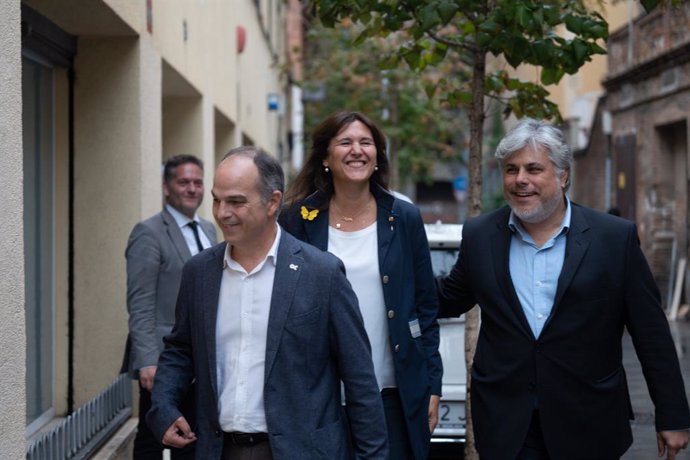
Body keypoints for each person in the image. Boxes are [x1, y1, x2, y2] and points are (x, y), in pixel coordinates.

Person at [437, 118, 690, 460]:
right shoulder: (481, 235)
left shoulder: (613, 238)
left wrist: (673, 415)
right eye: (511, 169)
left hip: (589, 420)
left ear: (563, 175)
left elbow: (652, 334)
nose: (520, 180)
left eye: (533, 168)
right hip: (508, 423)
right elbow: (449, 298)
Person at [146, 146, 388, 459]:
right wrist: (163, 407)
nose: (222, 213)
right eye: (217, 199)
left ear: (273, 202)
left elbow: (359, 378)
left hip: (302, 451)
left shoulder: (321, 274)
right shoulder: (199, 272)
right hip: (218, 449)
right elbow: (181, 349)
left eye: (236, 201)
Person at [279, 111, 442, 460]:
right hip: (319, 399)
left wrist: (433, 384)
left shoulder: (405, 217)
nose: (357, 150)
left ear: (377, 156)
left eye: (366, 143)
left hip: (392, 394)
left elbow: (426, 306)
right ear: (325, 157)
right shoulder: (295, 220)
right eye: (345, 142)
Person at [122, 154, 217, 459]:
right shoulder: (148, 232)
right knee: (154, 438)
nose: (192, 188)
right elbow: (140, 301)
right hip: (163, 359)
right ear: (166, 188)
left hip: (200, 355)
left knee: (192, 434)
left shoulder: (208, 228)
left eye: (198, 182)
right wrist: (147, 360)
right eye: (183, 182)